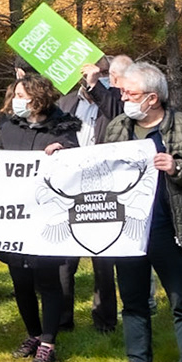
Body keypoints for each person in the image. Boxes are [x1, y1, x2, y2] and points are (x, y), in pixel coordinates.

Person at [101, 62, 182, 362]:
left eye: (130, 93)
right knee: (133, 298)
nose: (123, 97)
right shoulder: (118, 127)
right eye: (122, 92)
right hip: (128, 229)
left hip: (170, 226)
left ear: (152, 98)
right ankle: (138, 359)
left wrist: (178, 167)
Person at [0, 75, 83, 362]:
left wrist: (63, 151)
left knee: (48, 281)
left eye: (23, 95)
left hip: (48, 216)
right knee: (20, 281)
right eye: (16, 94)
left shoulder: (64, 128)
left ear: (39, 98)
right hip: (14, 217)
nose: (18, 100)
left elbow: (75, 167)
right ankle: (32, 334)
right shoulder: (9, 128)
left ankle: (48, 342)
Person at [62, 55, 130, 331]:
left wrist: (96, 87)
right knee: (64, 259)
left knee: (103, 259)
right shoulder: (66, 103)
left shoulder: (115, 100)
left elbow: (120, 118)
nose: (95, 75)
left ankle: (104, 320)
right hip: (70, 185)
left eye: (102, 72)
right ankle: (63, 319)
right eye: (91, 71)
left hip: (105, 187)